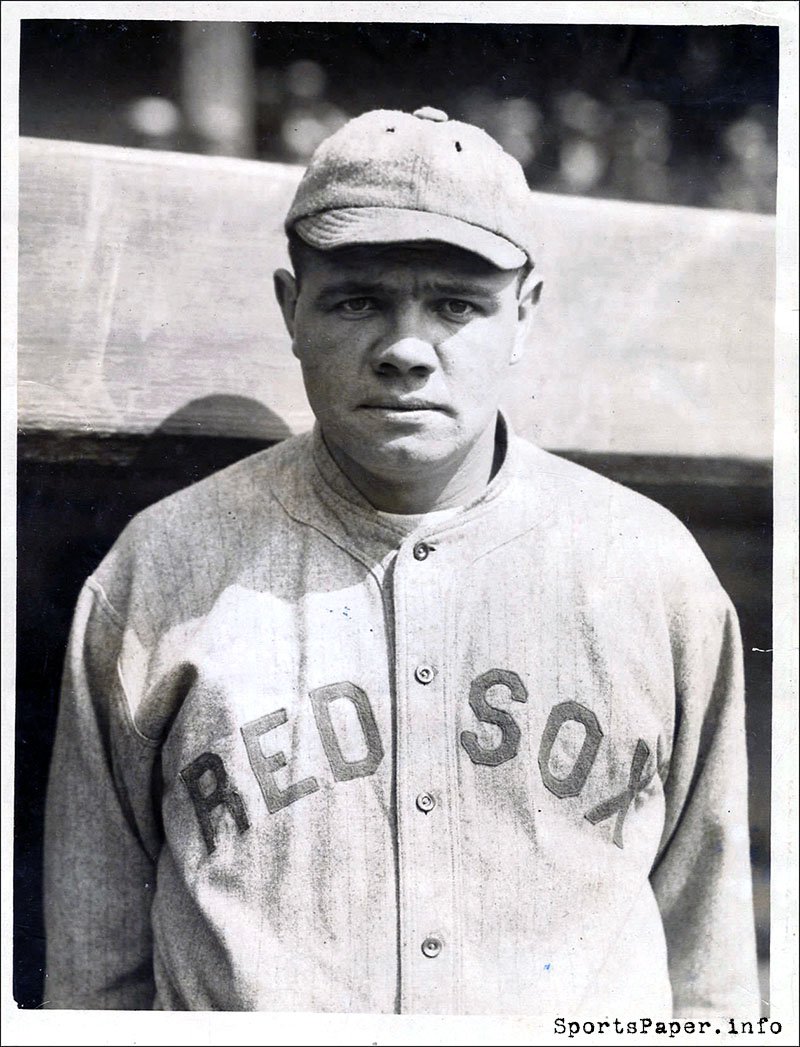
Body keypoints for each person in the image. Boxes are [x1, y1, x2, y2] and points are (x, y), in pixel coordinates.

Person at [43, 106, 759, 1016]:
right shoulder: (160, 571)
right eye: (358, 299)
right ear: (291, 307)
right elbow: (90, 989)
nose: (406, 351)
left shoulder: (650, 571)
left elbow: (715, 977)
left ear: (524, 316)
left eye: (457, 304)